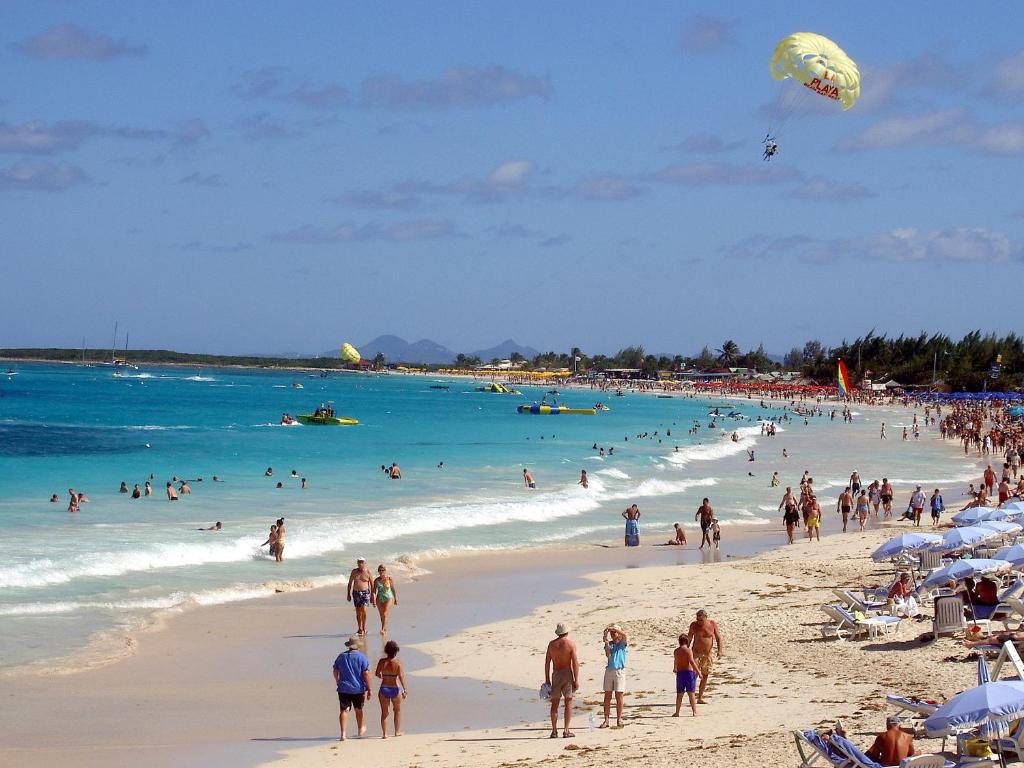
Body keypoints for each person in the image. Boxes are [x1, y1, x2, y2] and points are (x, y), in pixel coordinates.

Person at [333, 636, 372, 741]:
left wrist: (337, 681)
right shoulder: (361, 657)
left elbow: (335, 670)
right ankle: (360, 729)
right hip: (358, 688)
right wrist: (369, 688)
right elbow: (366, 674)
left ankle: (343, 734)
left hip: (343, 687)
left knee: (344, 710)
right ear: (358, 646)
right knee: (358, 709)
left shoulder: (341, 656)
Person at [545, 623, 579, 738]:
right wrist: (576, 679)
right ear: (566, 632)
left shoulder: (551, 644)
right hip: (567, 673)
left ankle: (554, 731)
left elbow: (547, 663)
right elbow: (575, 663)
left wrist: (547, 679)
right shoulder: (570, 644)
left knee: (554, 703)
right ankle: (566, 730)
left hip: (556, 674)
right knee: (568, 701)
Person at [688, 609, 723, 704]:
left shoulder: (712, 624)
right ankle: (692, 697)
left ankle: (700, 697)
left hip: (707, 655)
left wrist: (719, 651)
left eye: (701, 620)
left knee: (705, 675)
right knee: (694, 675)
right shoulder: (693, 625)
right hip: (695, 654)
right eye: (697, 619)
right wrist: (686, 651)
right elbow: (689, 638)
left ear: (705, 618)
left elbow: (718, 638)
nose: (699, 622)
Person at [375, 640, 408, 738]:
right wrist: (405, 689)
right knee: (397, 710)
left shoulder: (382, 661)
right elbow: (401, 677)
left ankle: (384, 734)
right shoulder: (398, 663)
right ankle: (397, 731)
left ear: (386, 651)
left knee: (384, 712)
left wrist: (383, 676)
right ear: (396, 651)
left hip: (384, 687)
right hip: (395, 688)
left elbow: (377, 674)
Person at [599, 624, 628, 728]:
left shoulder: (622, 643)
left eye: (614, 632)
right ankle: (606, 720)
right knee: (607, 696)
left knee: (619, 696)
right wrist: (606, 642)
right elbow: (608, 655)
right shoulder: (610, 644)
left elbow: (624, 635)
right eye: (611, 633)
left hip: (619, 671)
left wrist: (614, 629)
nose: (612, 634)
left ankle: (619, 718)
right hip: (610, 670)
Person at [672, 634, 698, 717]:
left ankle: (677, 712)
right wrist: (698, 672)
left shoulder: (676, 651)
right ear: (687, 642)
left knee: (679, 694)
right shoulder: (688, 650)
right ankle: (694, 712)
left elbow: (676, 661)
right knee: (691, 693)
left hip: (680, 673)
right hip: (688, 673)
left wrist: (675, 668)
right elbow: (692, 662)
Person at [348, 558, 373, 636]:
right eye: (359, 562)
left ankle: (364, 628)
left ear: (365, 563)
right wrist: (348, 594)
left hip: (365, 593)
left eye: (362, 562)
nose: (360, 564)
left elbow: (372, 584)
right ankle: (359, 629)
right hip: (356, 593)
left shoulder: (368, 571)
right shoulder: (354, 571)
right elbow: (350, 583)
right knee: (358, 612)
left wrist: (372, 595)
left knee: (364, 610)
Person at [372, 564, 398, 634]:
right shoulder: (376, 580)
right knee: (381, 614)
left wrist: (395, 598)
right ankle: (384, 628)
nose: (381, 571)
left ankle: (383, 629)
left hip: (388, 598)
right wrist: (374, 600)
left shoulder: (389, 579)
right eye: (380, 570)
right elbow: (374, 591)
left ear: (385, 571)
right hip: (379, 598)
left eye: (383, 570)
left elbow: (393, 589)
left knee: (384, 613)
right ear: (378, 571)